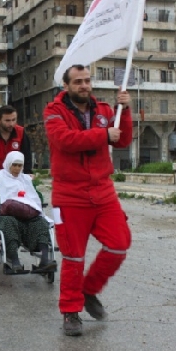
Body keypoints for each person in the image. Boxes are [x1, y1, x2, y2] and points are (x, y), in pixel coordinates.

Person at [44, 64, 132, 336]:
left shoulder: (105, 110)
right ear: (66, 86)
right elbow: (65, 141)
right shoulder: (53, 112)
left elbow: (123, 141)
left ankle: (88, 290)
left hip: (103, 192)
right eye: (78, 82)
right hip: (69, 195)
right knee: (73, 257)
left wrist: (125, 112)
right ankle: (71, 312)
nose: (84, 85)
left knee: (120, 244)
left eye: (87, 80)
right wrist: (103, 135)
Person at [0, 151, 56, 272]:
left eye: (19, 165)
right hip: (6, 214)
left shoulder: (26, 179)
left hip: (26, 215)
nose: (17, 168)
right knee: (8, 223)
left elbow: (38, 197)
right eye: (14, 165)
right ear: (8, 164)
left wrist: (25, 199)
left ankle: (44, 259)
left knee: (41, 222)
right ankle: (14, 260)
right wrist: (8, 198)